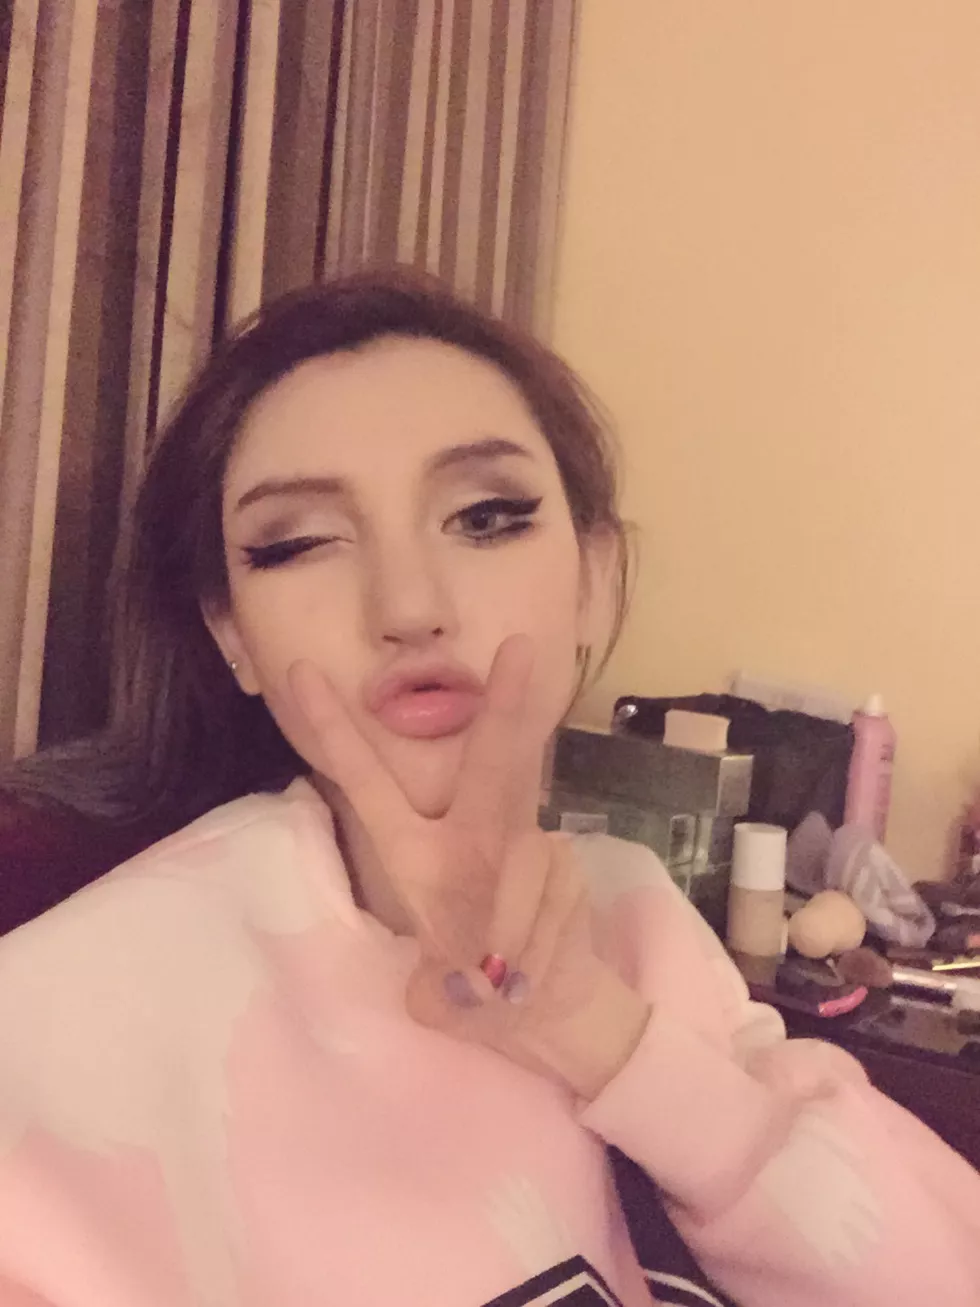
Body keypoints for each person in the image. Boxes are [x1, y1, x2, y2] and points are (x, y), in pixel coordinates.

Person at [0, 271, 977, 1307]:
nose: (407, 604)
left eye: (485, 515)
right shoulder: (64, 1022)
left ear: (594, 579)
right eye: (299, 541)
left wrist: (595, 1030)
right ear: (231, 631)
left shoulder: (632, 909)